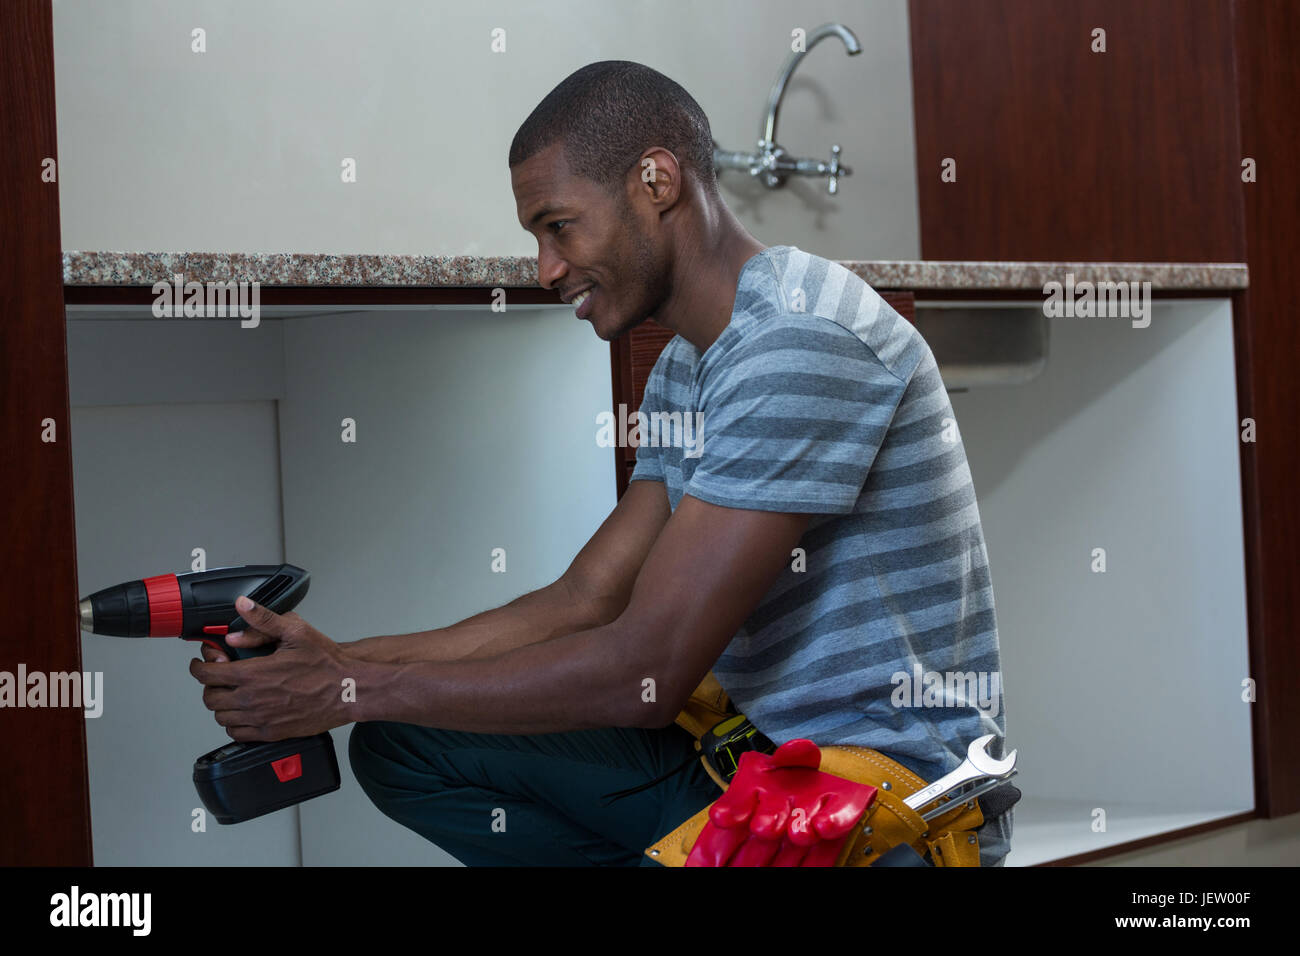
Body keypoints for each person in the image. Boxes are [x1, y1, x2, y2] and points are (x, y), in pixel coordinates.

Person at [189, 60, 1012, 866]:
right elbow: (588, 598)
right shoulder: (691, 361)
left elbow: (644, 670)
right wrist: (339, 663)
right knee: (402, 745)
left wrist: (345, 689)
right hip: (746, 759)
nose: (547, 267)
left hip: (880, 809)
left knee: (389, 714)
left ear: (656, 180)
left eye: (558, 225)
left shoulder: (798, 340)